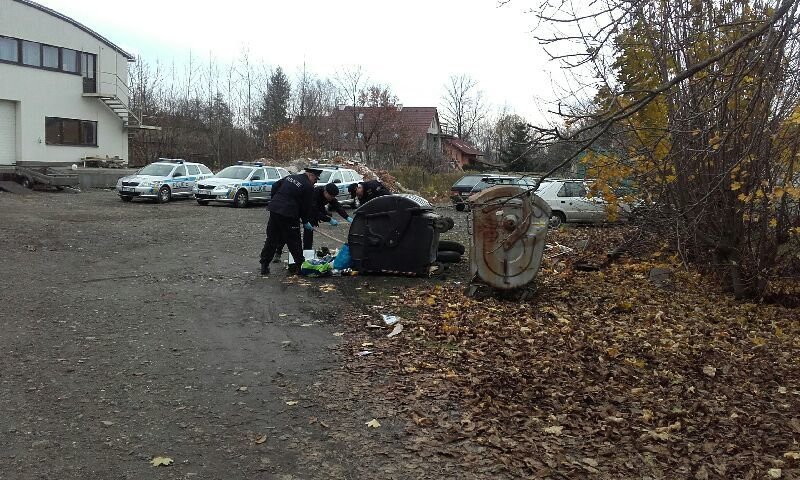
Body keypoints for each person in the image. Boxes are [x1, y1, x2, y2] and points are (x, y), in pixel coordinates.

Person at [259, 167, 319, 275]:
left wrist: (275, 200)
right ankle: (300, 266)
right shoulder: (308, 187)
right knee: (294, 241)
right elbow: (306, 207)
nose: (315, 183)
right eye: (315, 180)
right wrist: (305, 221)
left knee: (272, 238)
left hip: (275, 210)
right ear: (311, 175)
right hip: (289, 214)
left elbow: (275, 186)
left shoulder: (290, 177)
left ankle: (264, 264)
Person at [304, 183, 353, 250]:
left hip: (318, 209)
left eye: (334, 196)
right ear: (326, 192)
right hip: (306, 211)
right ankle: (306, 251)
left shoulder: (329, 195)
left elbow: (337, 206)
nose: (332, 198)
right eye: (331, 196)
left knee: (311, 230)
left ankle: (308, 249)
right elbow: (314, 211)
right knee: (308, 231)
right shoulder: (315, 193)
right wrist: (329, 219)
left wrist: (347, 217)